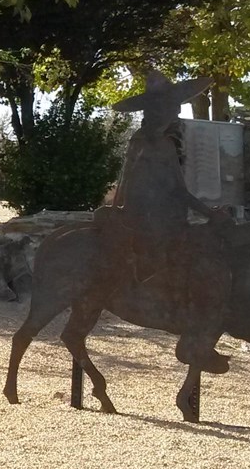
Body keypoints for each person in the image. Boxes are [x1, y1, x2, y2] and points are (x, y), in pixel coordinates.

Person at [100, 71, 234, 373]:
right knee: (191, 252)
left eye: (177, 105)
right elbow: (164, 190)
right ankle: (177, 312)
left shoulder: (155, 141)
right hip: (151, 220)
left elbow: (174, 190)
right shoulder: (152, 143)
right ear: (161, 110)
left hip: (160, 216)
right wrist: (207, 213)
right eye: (173, 106)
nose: (177, 111)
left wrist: (208, 212)